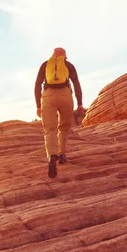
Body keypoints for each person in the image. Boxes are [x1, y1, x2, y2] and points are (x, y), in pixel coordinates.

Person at [34, 47, 85, 178]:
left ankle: (52, 156)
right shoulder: (68, 65)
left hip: (48, 95)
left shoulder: (46, 65)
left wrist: (38, 105)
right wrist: (79, 103)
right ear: (65, 56)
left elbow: (37, 85)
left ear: (53, 55)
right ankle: (62, 154)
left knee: (50, 129)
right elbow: (76, 83)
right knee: (64, 126)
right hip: (65, 95)